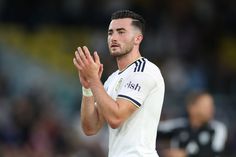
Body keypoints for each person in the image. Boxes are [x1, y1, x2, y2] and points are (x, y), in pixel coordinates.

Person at [73, 10, 165, 157]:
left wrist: (94, 80)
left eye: (121, 32)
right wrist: (88, 88)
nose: (114, 38)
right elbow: (90, 128)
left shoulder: (145, 71)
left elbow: (116, 118)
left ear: (138, 39)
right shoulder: (112, 79)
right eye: (110, 33)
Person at [157, 91, 227, 157]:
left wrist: (186, 154)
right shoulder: (179, 125)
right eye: (206, 106)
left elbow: (215, 153)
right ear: (192, 108)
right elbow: (154, 129)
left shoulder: (217, 129)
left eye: (212, 105)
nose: (211, 109)